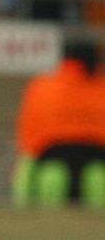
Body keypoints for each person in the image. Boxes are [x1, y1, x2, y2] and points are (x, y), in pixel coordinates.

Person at [13, 39, 105, 208]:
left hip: (52, 166)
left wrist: (22, 200)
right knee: (98, 180)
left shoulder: (42, 87)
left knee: (50, 179)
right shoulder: (101, 88)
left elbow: (29, 144)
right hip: (97, 167)